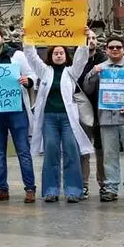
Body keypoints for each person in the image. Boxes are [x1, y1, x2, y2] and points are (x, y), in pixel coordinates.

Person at [22, 30, 95, 203]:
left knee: (71, 151)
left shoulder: (71, 72)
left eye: (61, 53)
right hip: (49, 119)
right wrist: (27, 38)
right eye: (55, 53)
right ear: (51, 56)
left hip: (68, 119)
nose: (59, 55)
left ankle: (73, 191)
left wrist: (83, 38)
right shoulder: (44, 72)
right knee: (51, 152)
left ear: (66, 56)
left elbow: (81, 58)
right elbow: (32, 57)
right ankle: (50, 190)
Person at [0, 28, 37, 202]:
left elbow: (33, 73)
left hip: (16, 111)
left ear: (2, 38)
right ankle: (2, 188)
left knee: (23, 150)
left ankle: (30, 189)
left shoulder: (17, 56)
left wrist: (28, 81)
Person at [90, 37, 124, 203]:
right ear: (106, 50)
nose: (115, 49)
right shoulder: (100, 68)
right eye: (111, 47)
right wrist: (92, 73)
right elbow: (87, 88)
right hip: (106, 118)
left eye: (118, 47)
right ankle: (111, 188)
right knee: (109, 155)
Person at [76, 28, 108, 199]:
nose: (91, 41)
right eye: (88, 38)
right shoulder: (75, 61)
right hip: (82, 110)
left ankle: (104, 184)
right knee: (84, 149)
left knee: (101, 150)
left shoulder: (104, 60)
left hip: (101, 110)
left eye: (94, 38)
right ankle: (84, 184)